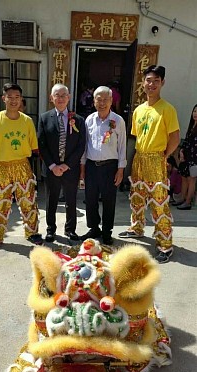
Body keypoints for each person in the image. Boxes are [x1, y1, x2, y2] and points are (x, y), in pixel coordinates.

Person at [118, 65, 180, 264]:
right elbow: (137, 136)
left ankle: (165, 244)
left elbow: (175, 137)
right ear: (143, 83)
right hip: (139, 158)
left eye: (155, 80)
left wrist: (164, 156)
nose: (151, 84)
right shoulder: (138, 110)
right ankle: (136, 227)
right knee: (137, 195)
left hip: (156, 158)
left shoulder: (167, 109)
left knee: (159, 203)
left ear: (162, 82)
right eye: (148, 80)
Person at [0, 82, 42, 253]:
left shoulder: (27, 121)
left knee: (28, 199)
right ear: (4, 98)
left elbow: (32, 146)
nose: (14, 100)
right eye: (10, 97)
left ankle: (32, 232)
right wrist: (3, 157)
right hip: (1, 166)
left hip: (22, 164)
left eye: (17, 97)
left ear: (21, 99)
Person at [38, 83, 86, 242]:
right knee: (51, 201)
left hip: (70, 169)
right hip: (51, 169)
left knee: (71, 200)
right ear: (51, 98)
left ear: (69, 98)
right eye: (57, 95)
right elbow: (41, 144)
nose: (60, 98)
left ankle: (70, 230)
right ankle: (51, 230)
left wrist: (66, 165)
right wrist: (53, 165)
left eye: (63, 95)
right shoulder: (44, 118)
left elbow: (81, 146)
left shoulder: (78, 120)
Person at [81, 86, 127, 245]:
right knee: (90, 199)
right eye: (98, 100)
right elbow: (85, 146)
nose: (102, 103)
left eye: (105, 99)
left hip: (110, 167)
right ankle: (94, 228)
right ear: (94, 102)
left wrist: (121, 170)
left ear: (111, 101)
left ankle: (107, 231)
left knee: (109, 201)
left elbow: (122, 147)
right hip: (92, 166)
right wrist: (82, 167)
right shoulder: (89, 120)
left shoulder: (118, 120)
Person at [176, 104, 197, 210]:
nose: (195, 114)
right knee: (184, 177)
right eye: (194, 111)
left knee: (191, 179)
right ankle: (182, 198)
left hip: (195, 158)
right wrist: (181, 152)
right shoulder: (192, 126)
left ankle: (188, 201)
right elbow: (187, 141)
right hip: (187, 156)